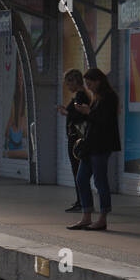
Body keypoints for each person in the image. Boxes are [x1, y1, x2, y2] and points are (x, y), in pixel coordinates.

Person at [66, 68, 121, 231]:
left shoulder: (109, 97)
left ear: (98, 81)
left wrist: (88, 111)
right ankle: (86, 215)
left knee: (100, 181)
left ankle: (103, 218)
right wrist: (87, 112)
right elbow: (94, 119)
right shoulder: (97, 98)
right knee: (81, 178)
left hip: (101, 145)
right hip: (91, 145)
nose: (88, 87)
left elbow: (105, 121)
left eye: (90, 83)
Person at [56, 68, 90, 212]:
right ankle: (81, 200)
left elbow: (79, 116)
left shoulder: (81, 96)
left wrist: (66, 112)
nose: (68, 87)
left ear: (75, 82)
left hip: (77, 139)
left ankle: (82, 202)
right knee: (78, 171)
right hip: (77, 137)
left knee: (78, 171)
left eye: (68, 84)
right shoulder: (81, 96)